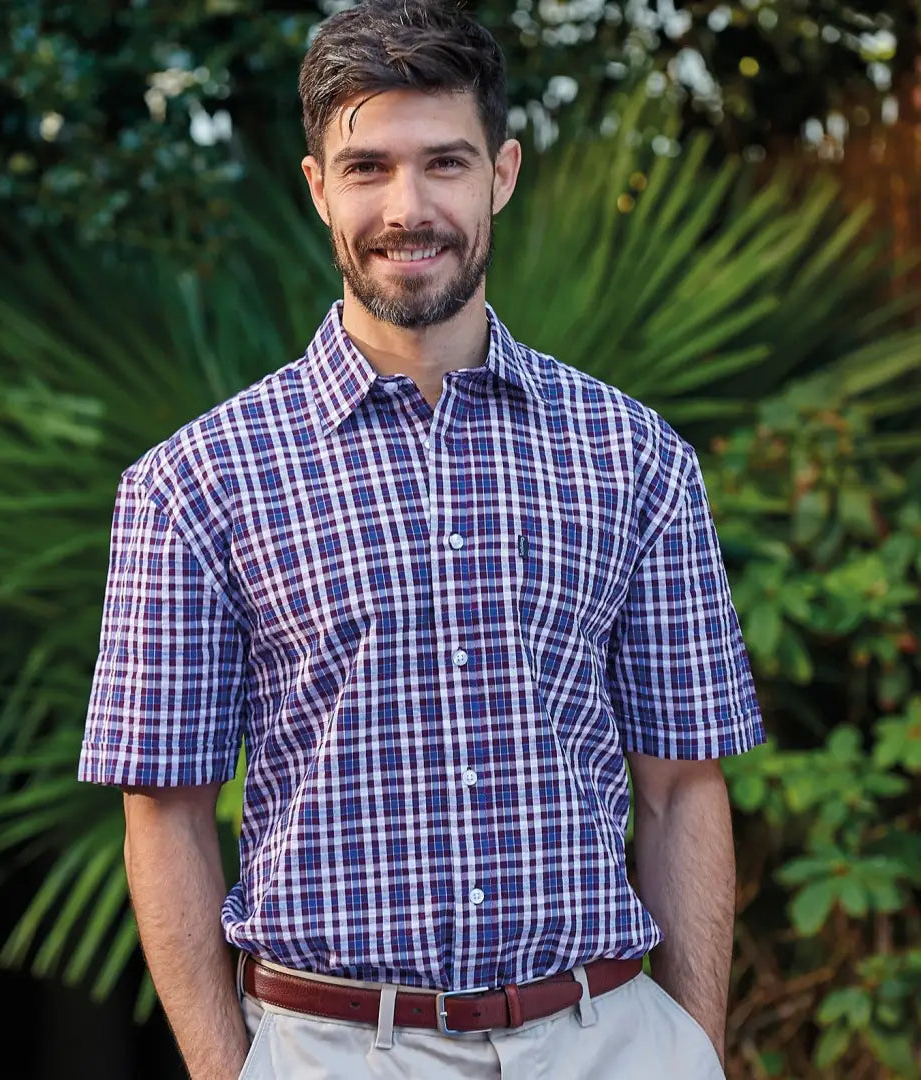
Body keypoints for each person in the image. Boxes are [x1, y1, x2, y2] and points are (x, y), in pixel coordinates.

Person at [78, 1, 767, 1077]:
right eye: (367, 168)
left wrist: (693, 1049)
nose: (409, 207)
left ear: (501, 173)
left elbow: (684, 787)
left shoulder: (637, 457)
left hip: (610, 1041)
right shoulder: (195, 483)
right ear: (318, 189)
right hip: (334, 1049)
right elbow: (163, 813)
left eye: (444, 162)